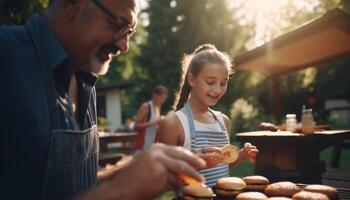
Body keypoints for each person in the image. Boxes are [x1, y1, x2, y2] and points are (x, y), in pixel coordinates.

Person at [0, 0, 206, 199]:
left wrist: (138, 169)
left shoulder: (85, 81)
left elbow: (80, 186)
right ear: (72, 4)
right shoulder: (7, 56)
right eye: (118, 25)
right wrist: (118, 193)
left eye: (130, 33)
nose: (124, 46)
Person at [158, 44, 259, 187]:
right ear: (191, 79)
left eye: (223, 83)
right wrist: (198, 163)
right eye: (210, 82)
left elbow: (222, 166)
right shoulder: (174, 123)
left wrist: (241, 155)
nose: (217, 90)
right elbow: (164, 177)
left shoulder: (223, 121)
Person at [134, 84, 168, 152]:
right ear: (155, 95)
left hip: (152, 147)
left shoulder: (158, 107)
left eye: (164, 99)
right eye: (161, 98)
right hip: (142, 147)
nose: (163, 101)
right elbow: (136, 126)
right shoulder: (146, 106)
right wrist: (155, 122)